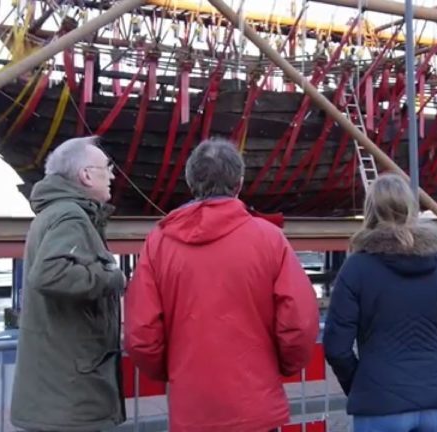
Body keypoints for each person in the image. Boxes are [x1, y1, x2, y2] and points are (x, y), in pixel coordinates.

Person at [124, 138, 319, 432]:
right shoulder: (269, 238)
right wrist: (283, 368)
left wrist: (176, 370)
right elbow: (299, 323)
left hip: (192, 408)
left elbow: (141, 333)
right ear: (239, 183)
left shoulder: (159, 242)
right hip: (256, 404)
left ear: (191, 182)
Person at [323, 174, 437, 432]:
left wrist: (360, 384)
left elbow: (337, 347)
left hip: (380, 404)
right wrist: (433, 370)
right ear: (411, 209)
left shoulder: (356, 269)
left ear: (370, 211)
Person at [10, 136, 127, 431]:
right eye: (107, 167)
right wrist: (113, 277)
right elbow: (50, 272)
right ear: (86, 175)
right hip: (71, 395)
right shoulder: (70, 215)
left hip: (58, 390)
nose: (112, 175)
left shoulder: (54, 213)